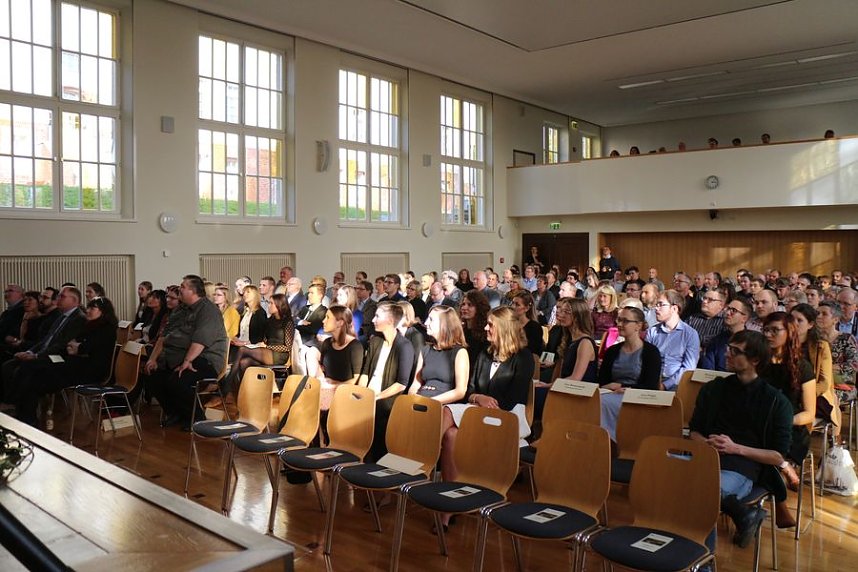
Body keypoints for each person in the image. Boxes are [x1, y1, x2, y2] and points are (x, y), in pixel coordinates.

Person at [689, 330, 793, 548]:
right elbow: (694, 431)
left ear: (755, 360)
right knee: (665, 482)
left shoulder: (775, 401)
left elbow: (777, 456)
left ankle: (701, 562)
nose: (727, 354)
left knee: (702, 494)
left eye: (735, 351)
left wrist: (735, 448)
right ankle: (743, 514)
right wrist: (706, 443)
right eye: (729, 348)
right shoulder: (714, 388)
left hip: (742, 466)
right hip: (704, 457)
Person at [437, 306, 533, 529]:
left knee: (448, 411)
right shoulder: (484, 354)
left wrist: (482, 401)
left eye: (491, 324)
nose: (486, 328)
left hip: (508, 417)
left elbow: (513, 399)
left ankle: (426, 456)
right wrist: (478, 397)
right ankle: (450, 501)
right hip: (479, 411)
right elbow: (470, 389)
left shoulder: (523, 357)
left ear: (505, 328)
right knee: (451, 435)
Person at [13, 296, 118, 426]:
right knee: (30, 368)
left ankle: (27, 419)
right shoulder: (90, 325)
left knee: (34, 379)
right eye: (89, 307)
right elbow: (72, 345)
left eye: (93, 308)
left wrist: (78, 347)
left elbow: (84, 348)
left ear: (103, 311)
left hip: (90, 370)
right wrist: (78, 347)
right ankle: (24, 416)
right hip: (75, 363)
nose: (88, 311)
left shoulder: (107, 328)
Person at [143, 275, 228, 430]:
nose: (179, 289)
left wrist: (187, 362)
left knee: (177, 380)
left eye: (183, 287)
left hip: (205, 358)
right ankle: (176, 413)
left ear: (193, 291)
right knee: (152, 376)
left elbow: (201, 340)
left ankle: (197, 418)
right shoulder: (181, 309)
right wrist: (153, 359)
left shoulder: (208, 310)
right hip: (180, 355)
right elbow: (164, 335)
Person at [762, 312, 815, 528]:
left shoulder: (802, 367)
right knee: (754, 450)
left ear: (789, 332)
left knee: (758, 454)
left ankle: (768, 507)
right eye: (766, 330)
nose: (769, 334)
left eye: (775, 330)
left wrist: (783, 421)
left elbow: (809, 413)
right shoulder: (758, 363)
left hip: (791, 430)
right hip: (760, 427)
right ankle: (783, 469)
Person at [359, 302, 414, 462]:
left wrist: (376, 397)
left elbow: (401, 384)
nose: (373, 319)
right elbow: (365, 373)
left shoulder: (404, 346)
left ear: (390, 321)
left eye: (377, 316)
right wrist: (363, 394)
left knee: (380, 416)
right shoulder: (376, 341)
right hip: (370, 396)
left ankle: (377, 466)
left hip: (388, 400)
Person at [598, 306, 663, 441]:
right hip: (611, 393)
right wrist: (608, 386)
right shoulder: (612, 351)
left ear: (638, 326)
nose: (620, 324)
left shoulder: (651, 352)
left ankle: (608, 440)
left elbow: (651, 386)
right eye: (619, 320)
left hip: (636, 397)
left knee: (601, 403)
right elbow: (602, 380)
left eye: (625, 321)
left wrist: (626, 389)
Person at [537, 297, 597, 418]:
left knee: (536, 396)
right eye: (561, 310)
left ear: (578, 315)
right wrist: (547, 384)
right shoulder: (569, 340)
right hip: (566, 389)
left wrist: (549, 386)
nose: (560, 314)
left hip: (579, 393)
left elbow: (576, 378)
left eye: (566, 312)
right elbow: (562, 375)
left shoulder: (585, 343)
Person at [791, 304, 840, 437]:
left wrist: (803, 393)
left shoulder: (820, 346)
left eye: (799, 320)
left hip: (814, 396)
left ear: (810, 324)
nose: (794, 323)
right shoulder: (784, 344)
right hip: (790, 394)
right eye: (791, 319)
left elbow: (824, 383)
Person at [305, 305, 364, 415]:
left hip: (344, 393)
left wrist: (333, 386)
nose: (323, 321)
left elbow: (355, 380)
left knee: (312, 405)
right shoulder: (327, 343)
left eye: (328, 317)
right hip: (327, 390)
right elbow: (323, 371)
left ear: (340, 323)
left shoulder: (355, 346)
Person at [409, 305, 468, 404]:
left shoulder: (460, 352)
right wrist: (411, 400)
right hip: (420, 400)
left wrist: (430, 402)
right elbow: (416, 383)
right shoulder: (425, 350)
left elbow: (460, 391)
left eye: (431, 320)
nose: (426, 322)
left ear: (444, 324)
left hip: (442, 404)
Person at [646, 290, 700, 390]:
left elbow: (688, 368)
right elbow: (645, 360)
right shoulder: (652, 331)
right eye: (656, 304)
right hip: (652, 382)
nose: (656, 308)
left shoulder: (690, 334)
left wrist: (665, 385)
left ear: (674, 308)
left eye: (660, 304)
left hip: (677, 385)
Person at [817, 301, 858, 403]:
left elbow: (853, 364)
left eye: (824, 314)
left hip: (841, 386)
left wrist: (825, 368)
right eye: (817, 313)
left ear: (835, 319)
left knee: (823, 397)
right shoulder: (814, 339)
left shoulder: (847, 338)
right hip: (817, 383)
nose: (819, 317)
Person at [700, 298, 751, 371]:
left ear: (744, 318)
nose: (727, 313)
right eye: (728, 309)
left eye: (733, 310)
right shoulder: (716, 341)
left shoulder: (752, 342)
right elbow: (707, 370)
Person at [230, 284, 267, 360]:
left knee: (238, 353)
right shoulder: (245, 312)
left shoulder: (260, 313)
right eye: (244, 292)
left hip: (252, 346)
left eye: (248, 292)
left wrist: (243, 343)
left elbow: (259, 337)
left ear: (254, 295)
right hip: (241, 344)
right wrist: (235, 338)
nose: (245, 294)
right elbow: (240, 332)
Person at [459, 289, 490, 367]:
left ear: (479, 308)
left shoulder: (485, 333)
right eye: (463, 304)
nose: (464, 308)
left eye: (470, 305)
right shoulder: (461, 331)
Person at [510, 290, 544, 359]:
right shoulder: (509, 323)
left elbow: (533, 351)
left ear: (526, 308)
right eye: (512, 303)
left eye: (517, 305)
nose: (513, 307)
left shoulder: (534, 327)